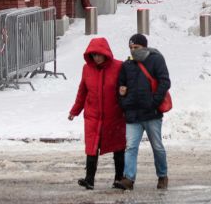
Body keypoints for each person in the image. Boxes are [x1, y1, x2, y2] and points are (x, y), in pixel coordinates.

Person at [114, 33, 170, 190]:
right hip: (133, 114)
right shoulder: (127, 65)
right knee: (131, 147)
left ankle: (162, 176)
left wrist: (154, 102)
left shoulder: (156, 59)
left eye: (136, 47)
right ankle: (128, 178)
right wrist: (124, 102)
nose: (133, 50)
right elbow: (120, 87)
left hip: (151, 113)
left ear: (144, 46)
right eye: (131, 48)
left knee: (157, 146)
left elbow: (165, 82)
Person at [69, 37, 126, 190]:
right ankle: (89, 179)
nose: (96, 58)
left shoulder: (119, 66)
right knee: (92, 147)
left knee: (118, 147)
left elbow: (126, 88)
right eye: (94, 55)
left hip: (114, 115)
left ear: (106, 53)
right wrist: (75, 110)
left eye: (99, 54)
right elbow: (82, 91)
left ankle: (119, 178)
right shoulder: (86, 69)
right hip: (93, 115)